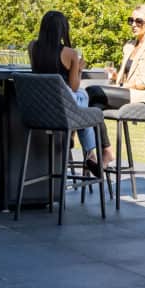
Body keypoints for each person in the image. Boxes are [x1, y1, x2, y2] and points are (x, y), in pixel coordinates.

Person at [87, 4, 145, 165]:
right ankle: (102, 151)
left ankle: (71, 140)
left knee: (93, 91)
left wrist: (121, 86)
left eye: (139, 21)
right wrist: (116, 76)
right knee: (92, 106)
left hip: (141, 97)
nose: (134, 25)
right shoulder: (130, 45)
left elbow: (144, 83)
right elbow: (127, 78)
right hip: (127, 91)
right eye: (131, 20)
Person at [27, 10, 102, 177]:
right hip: (63, 112)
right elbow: (74, 87)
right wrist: (79, 69)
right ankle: (89, 152)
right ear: (63, 30)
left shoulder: (32, 47)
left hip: (38, 110)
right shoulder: (70, 53)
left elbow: (35, 74)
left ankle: (81, 143)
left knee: (81, 102)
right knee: (83, 96)